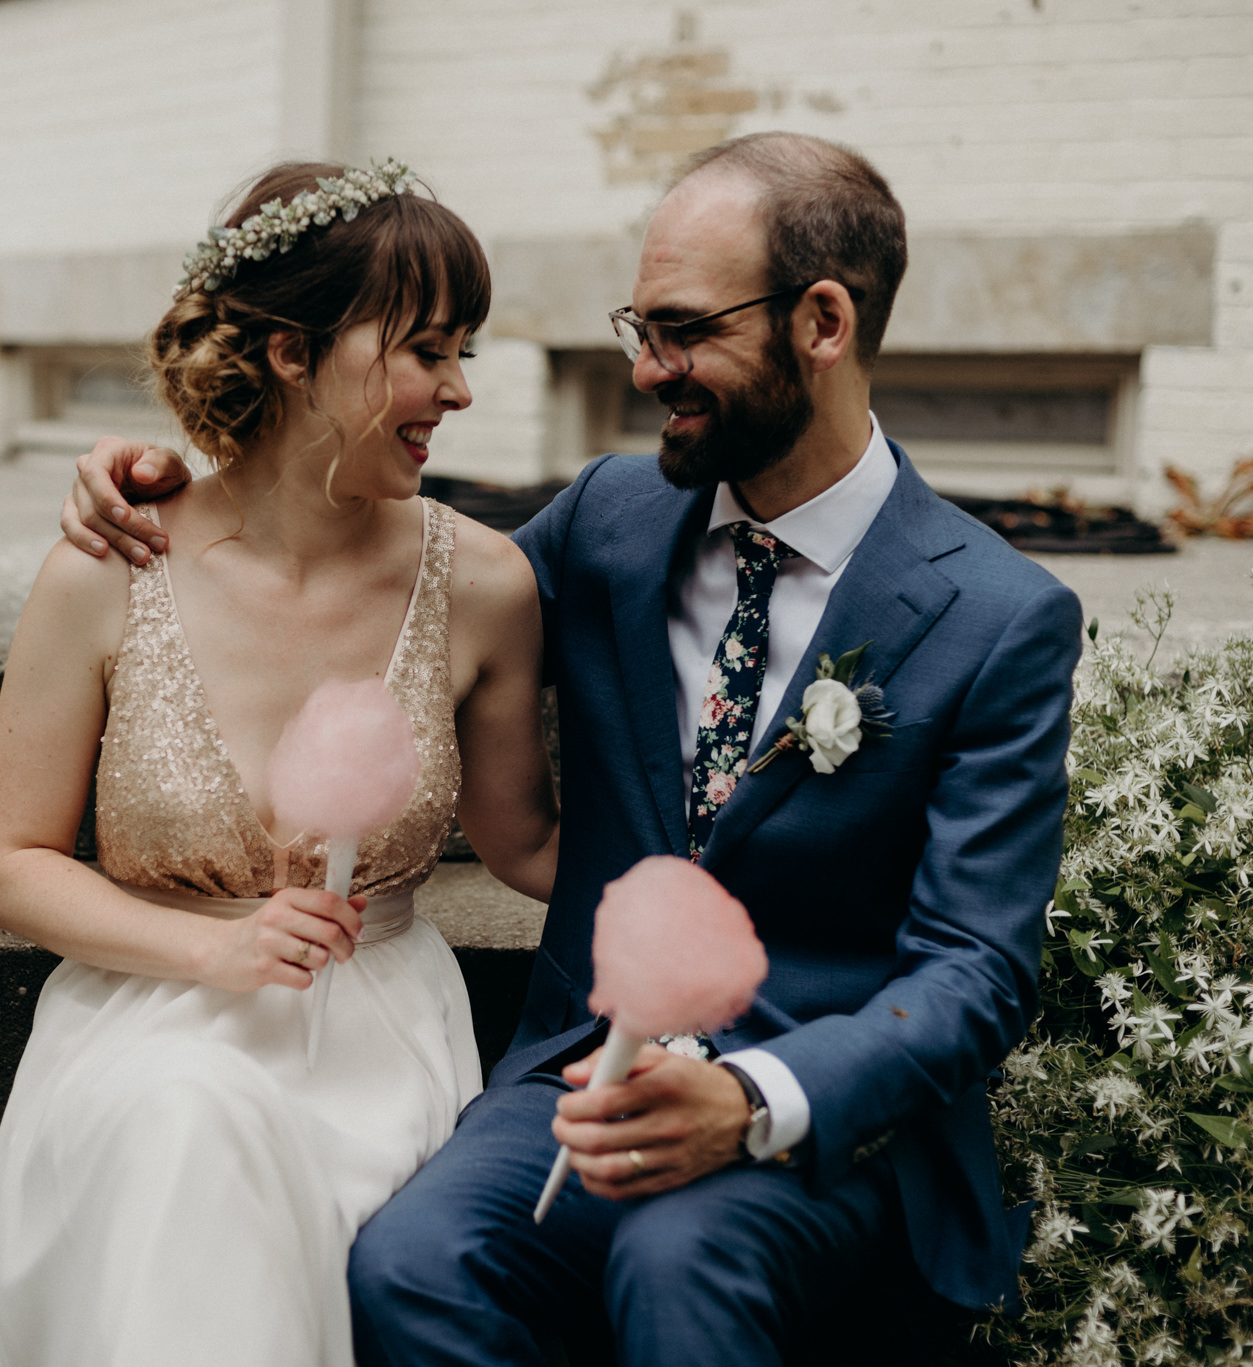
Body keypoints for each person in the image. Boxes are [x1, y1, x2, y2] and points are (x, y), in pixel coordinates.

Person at [62, 132, 1084, 1366]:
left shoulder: (994, 616)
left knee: (681, 1259)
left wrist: (756, 1099)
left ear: (821, 321)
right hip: (574, 1076)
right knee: (413, 1263)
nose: (647, 368)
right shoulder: (608, 519)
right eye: (637, 327)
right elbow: (386, 568)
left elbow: (975, 970)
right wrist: (184, 480)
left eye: (683, 330)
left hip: (827, 1120)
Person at [0, 160, 559, 1367]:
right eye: (425, 350)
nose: (455, 390)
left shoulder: (486, 585)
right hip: (146, 1011)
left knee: (211, 1132)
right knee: (187, 1113)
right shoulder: (109, 565)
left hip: (372, 1027)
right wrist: (216, 948)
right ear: (294, 354)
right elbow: (9, 861)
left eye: (465, 354)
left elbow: (529, 846)